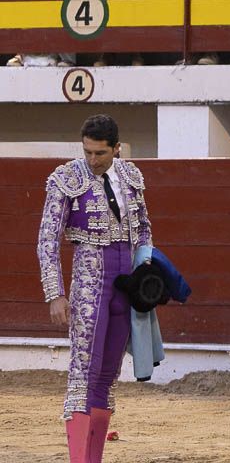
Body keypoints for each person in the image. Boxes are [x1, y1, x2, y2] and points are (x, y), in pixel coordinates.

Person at [37, 115, 152, 463]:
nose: (92, 160)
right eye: (87, 152)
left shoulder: (131, 177)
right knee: (83, 373)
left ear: (116, 148)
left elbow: (145, 229)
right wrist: (55, 293)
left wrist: (147, 273)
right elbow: (47, 241)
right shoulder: (66, 179)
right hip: (89, 284)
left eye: (100, 153)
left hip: (124, 286)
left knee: (108, 375)